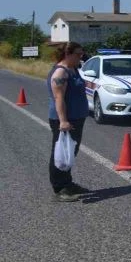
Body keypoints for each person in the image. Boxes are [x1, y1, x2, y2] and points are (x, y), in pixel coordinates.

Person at [47, 41, 91, 202]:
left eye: (82, 53)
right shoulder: (60, 73)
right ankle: (59, 188)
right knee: (60, 153)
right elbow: (59, 98)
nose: (81, 56)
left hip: (76, 118)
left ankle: (67, 182)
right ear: (68, 54)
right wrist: (63, 121)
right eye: (78, 54)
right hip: (66, 120)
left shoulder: (73, 69)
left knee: (69, 153)